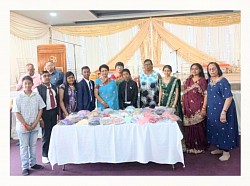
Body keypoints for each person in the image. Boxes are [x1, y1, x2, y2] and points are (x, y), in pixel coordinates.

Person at [12, 76, 46, 176]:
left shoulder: (36, 96)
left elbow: (41, 109)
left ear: (32, 84)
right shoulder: (18, 98)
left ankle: (33, 163)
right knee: (24, 147)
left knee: (33, 145)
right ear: (22, 85)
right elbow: (16, 113)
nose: (27, 85)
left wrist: (35, 123)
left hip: (34, 126)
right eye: (25, 83)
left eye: (29, 83)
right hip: (23, 127)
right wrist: (25, 124)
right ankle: (25, 167)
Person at [206, 62, 238, 161]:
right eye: (209, 69)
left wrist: (224, 112)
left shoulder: (223, 81)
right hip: (212, 110)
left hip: (223, 109)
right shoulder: (209, 80)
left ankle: (226, 152)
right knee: (215, 128)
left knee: (224, 129)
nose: (211, 71)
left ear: (218, 69)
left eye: (213, 69)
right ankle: (220, 148)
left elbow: (229, 97)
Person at [182, 63, 207, 154]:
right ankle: (190, 146)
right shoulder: (188, 80)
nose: (194, 70)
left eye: (196, 69)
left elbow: (205, 95)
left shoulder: (203, 81)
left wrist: (204, 108)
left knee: (198, 126)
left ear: (200, 70)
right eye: (192, 69)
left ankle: (199, 146)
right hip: (187, 107)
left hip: (198, 106)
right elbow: (184, 94)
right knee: (189, 127)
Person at [35, 71, 59, 164]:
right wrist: (40, 118)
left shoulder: (54, 87)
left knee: (54, 133)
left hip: (54, 113)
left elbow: (56, 101)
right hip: (45, 114)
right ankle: (44, 155)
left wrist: (58, 114)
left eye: (48, 76)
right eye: (44, 76)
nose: (47, 77)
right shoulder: (38, 89)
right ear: (41, 78)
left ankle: (53, 153)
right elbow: (37, 105)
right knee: (46, 134)